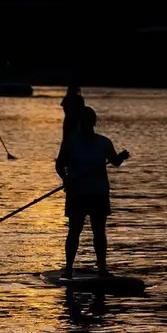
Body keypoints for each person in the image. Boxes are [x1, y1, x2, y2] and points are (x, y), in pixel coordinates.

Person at [55, 106, 129, 278]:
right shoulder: (70, 142)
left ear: (93, 123)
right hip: (77, 193)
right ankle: (68, 269)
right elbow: (60, 165)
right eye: (84, 121)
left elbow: (115, 162)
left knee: (99, 232)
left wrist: (121, 157)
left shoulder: (103, 142)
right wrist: (66, 179)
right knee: (74, 231)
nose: (87, 124)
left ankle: (102, 269)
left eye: (89, 122)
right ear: (81, 123)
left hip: (98, 193)